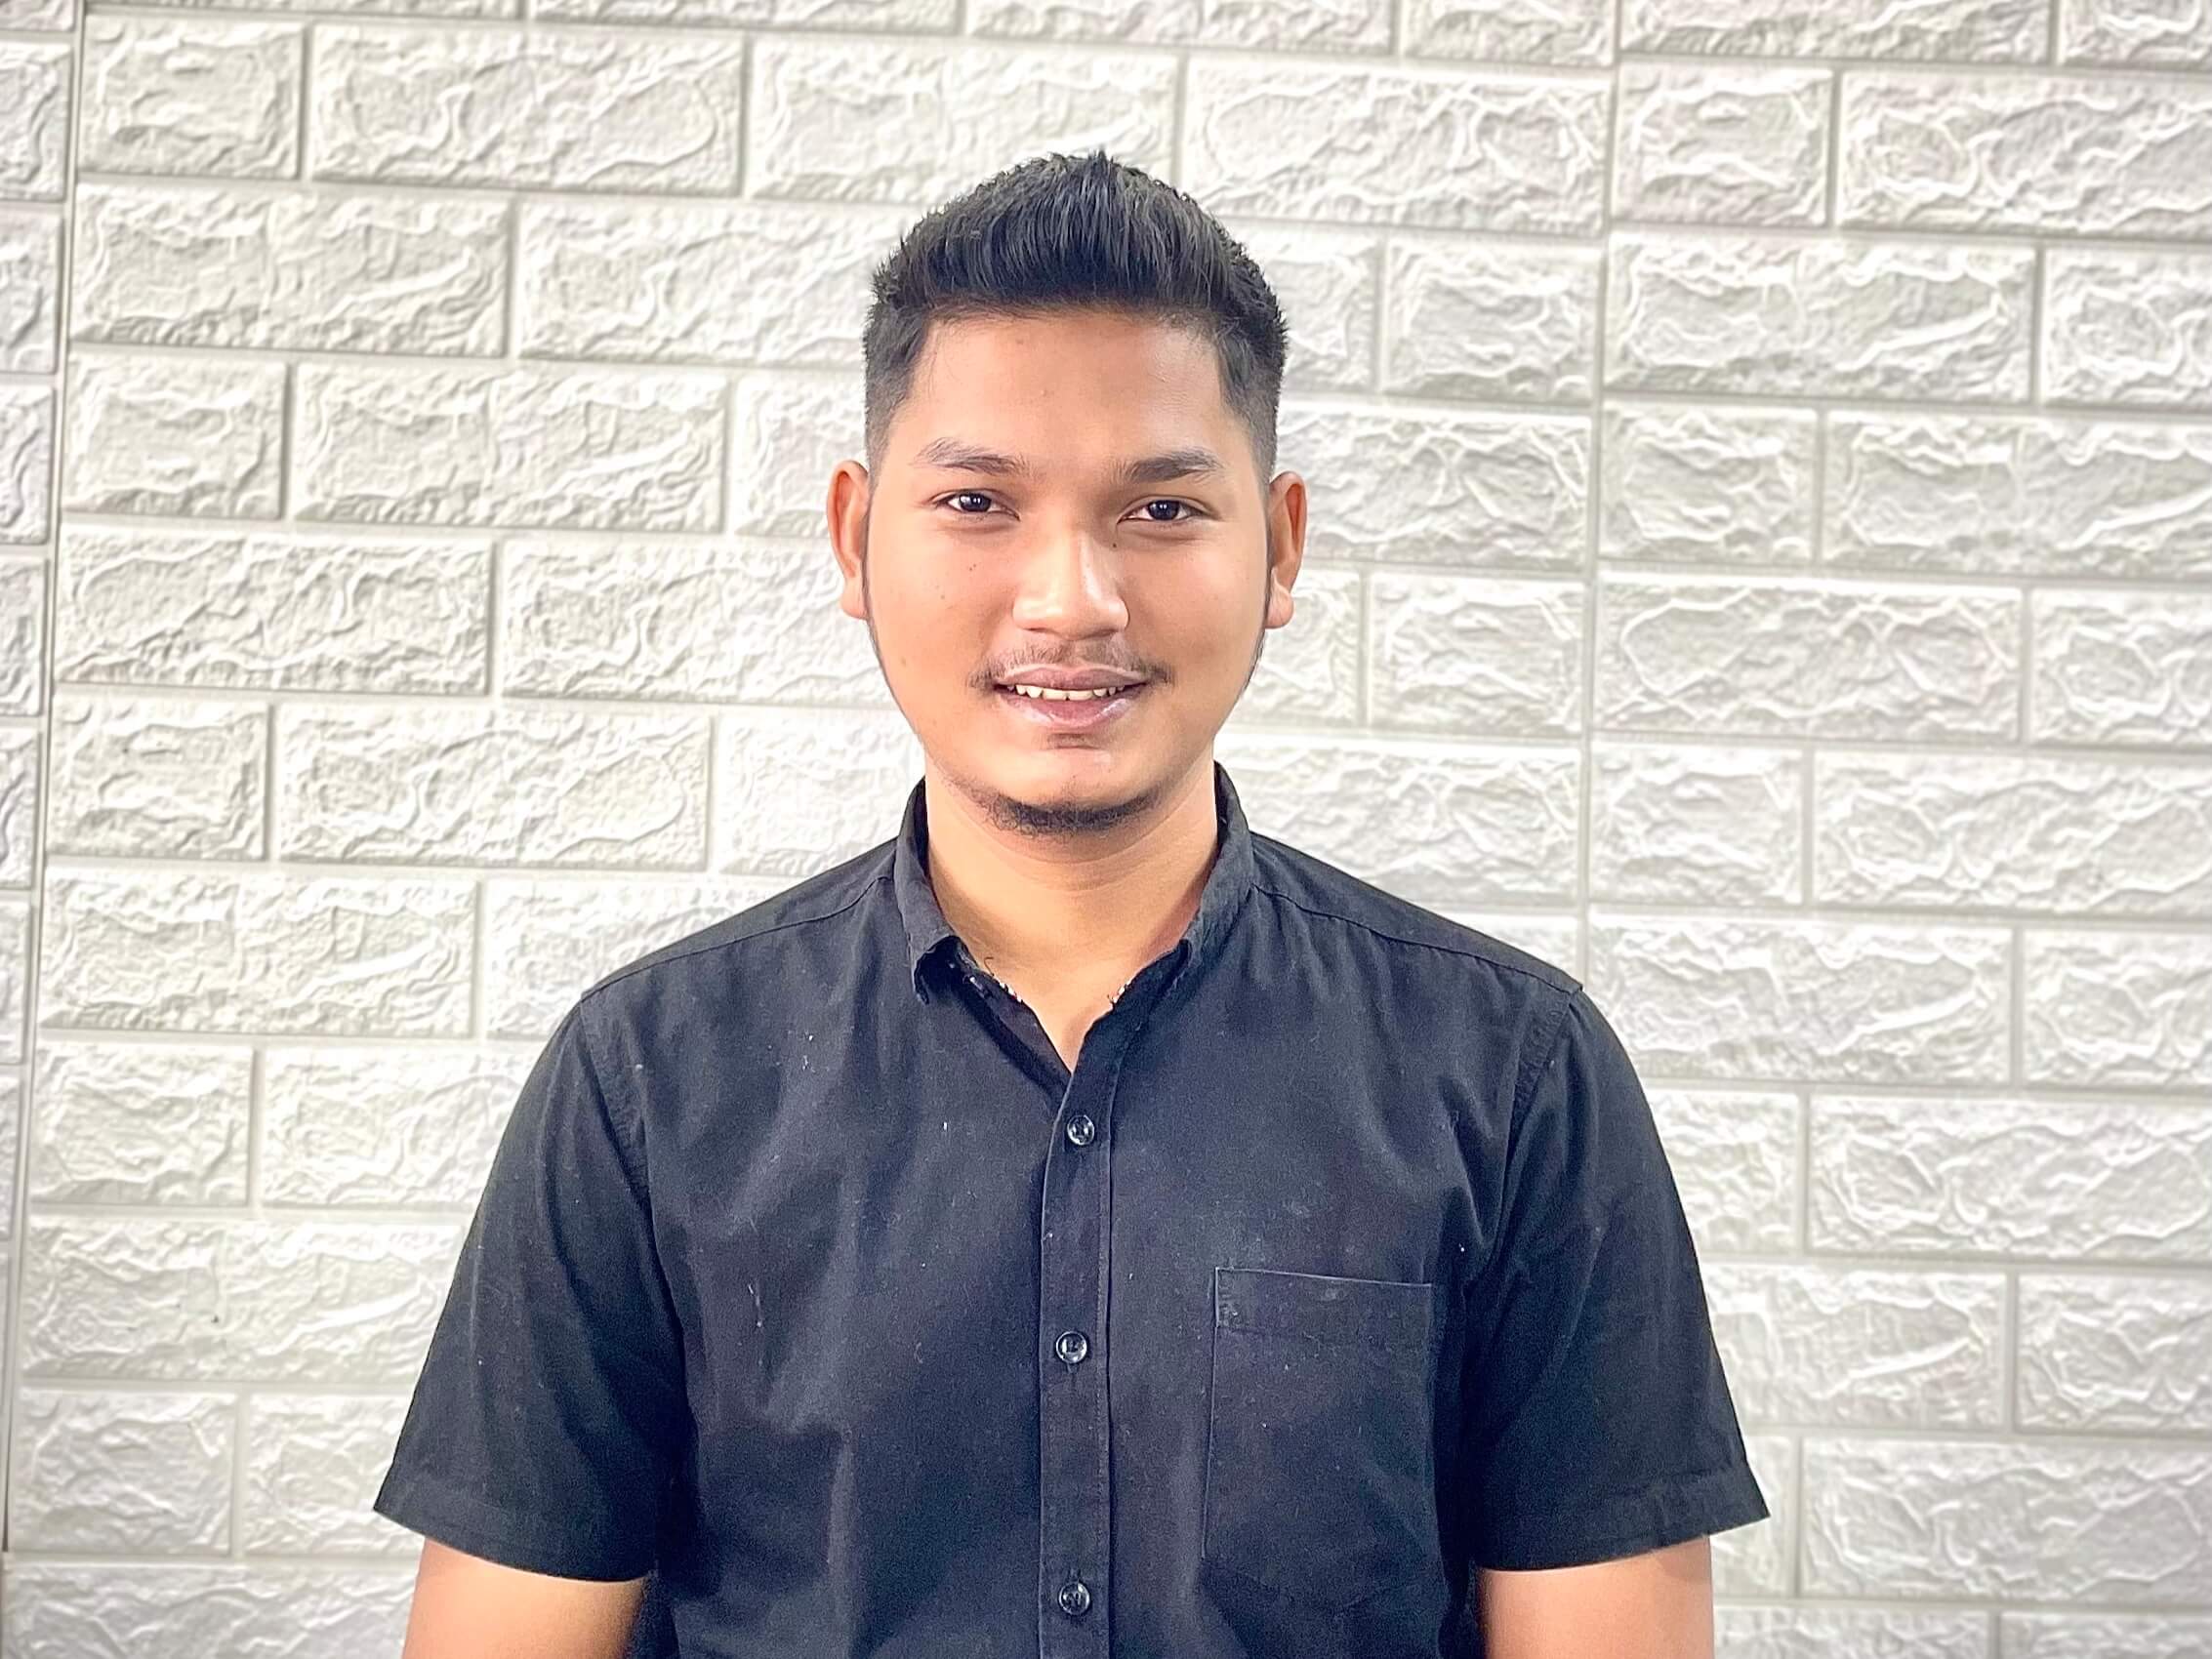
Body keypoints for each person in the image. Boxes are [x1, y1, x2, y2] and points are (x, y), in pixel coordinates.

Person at [372, 147, 1769, 1659]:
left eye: (1160, 510)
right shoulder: (652, 1076)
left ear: (1280, 546)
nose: (1070, 601)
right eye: (977, 501)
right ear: (852, 538)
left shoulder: (1508, 1072)